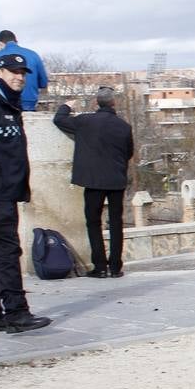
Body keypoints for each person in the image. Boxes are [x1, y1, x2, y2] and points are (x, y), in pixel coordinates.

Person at [0, 54, 50, 333]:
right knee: (6, 251)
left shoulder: (8, 103)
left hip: (5, 191)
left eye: (23, 72)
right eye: (13, 72)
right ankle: (17, 313)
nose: (20, 77)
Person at [52, 87, 135, 277]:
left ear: (96, 103)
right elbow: (128, 153)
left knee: (93, 222)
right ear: (114, 103)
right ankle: (115, 267)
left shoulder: (85, 122)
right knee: (116, 223)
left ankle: (100, 267)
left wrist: (66, 106)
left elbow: (59, 120)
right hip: (116, 181)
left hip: (93, 180)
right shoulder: (124, 126)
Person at [0, 30, 48, 112]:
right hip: (29, 106)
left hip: (4, 106)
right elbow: (43, 83)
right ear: (16, 41)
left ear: (0, 43)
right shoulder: (33, 55)